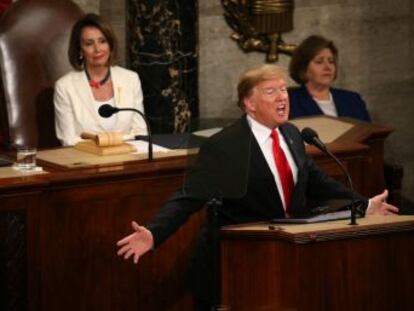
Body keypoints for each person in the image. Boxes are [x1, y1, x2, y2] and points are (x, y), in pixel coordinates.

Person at [116, 64, 397, 310]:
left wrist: (364, 204)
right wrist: (154, 233)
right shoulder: (225, 146)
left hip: (285, 257)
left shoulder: (291, 133)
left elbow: (314, 179)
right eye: (271, 91)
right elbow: (188, 197)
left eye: (284, 90)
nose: (282, 97)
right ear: (249, 103)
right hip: (237, 265)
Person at [54, 13, 146, 146]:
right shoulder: (65, 86)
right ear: (80, 50)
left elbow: (141, 132)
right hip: (86, 161)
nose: (97, 49)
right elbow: (68, 140)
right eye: (89, 43)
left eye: (102, 41)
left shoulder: (131, 79)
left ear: (110, 44)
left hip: (127, 159)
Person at [288, 35, 371, 122]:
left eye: (331, 61)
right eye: (319, 62)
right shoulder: (289, 101)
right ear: (303, 68)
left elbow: (369, 132)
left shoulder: (353, 100)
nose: (327, 67)